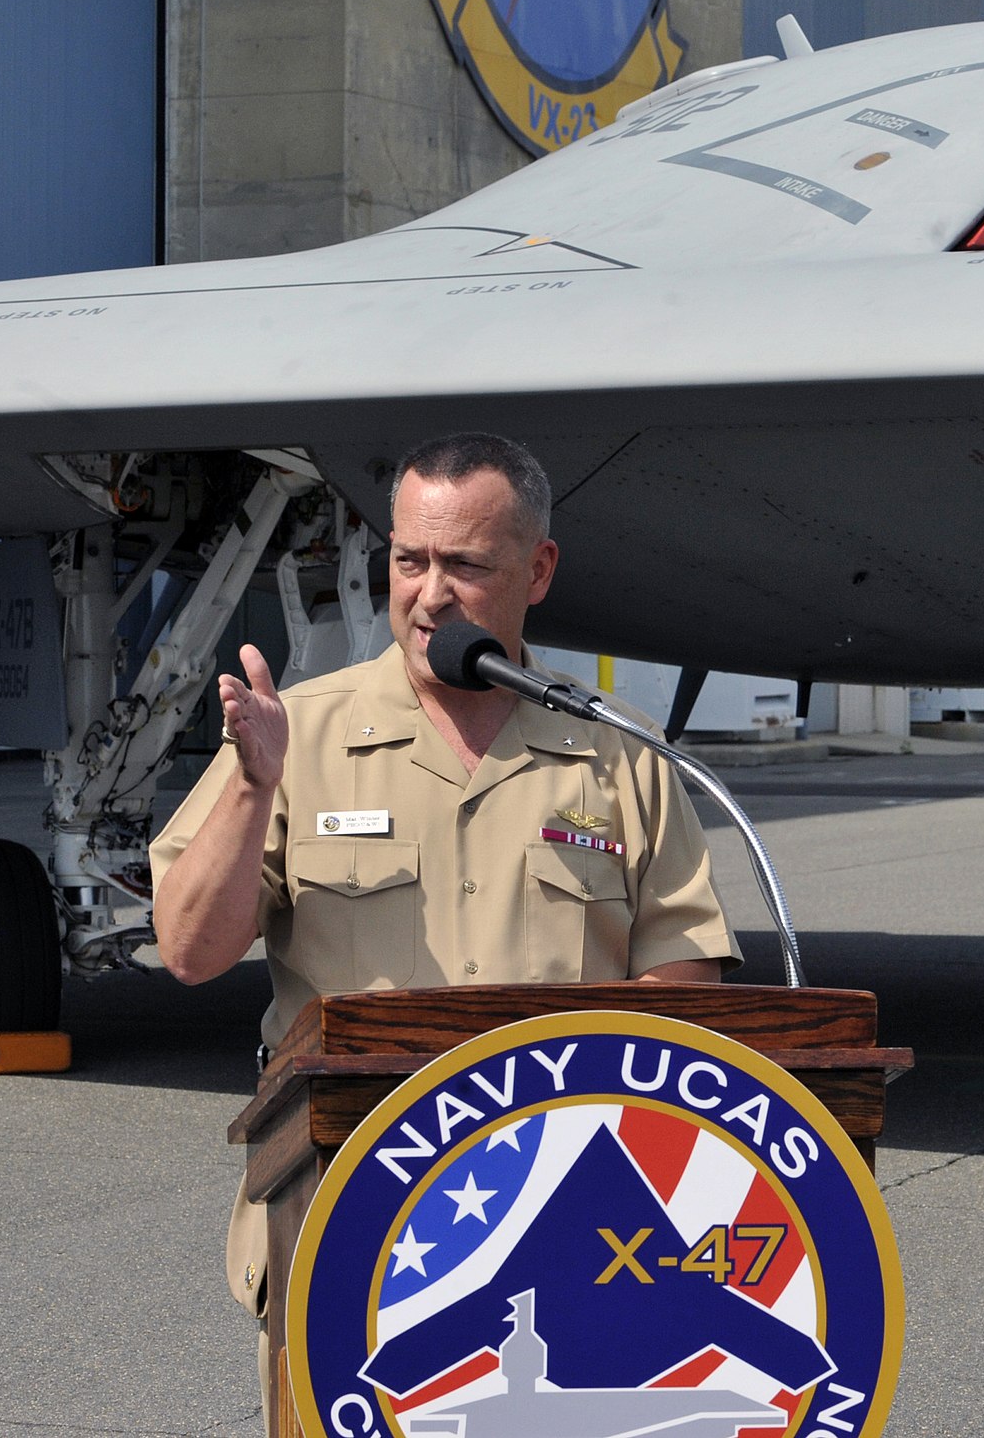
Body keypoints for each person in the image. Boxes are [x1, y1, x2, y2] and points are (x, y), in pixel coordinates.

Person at [147, 430, 736, 1411]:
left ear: (537, 569)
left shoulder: (619, 755)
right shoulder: (299, 731)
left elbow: (683, 989)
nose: (429, 595)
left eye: (466, 564)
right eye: (409, 560)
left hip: (562, 1237)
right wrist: (252, 790)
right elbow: (190, 949)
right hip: (341, 1210)